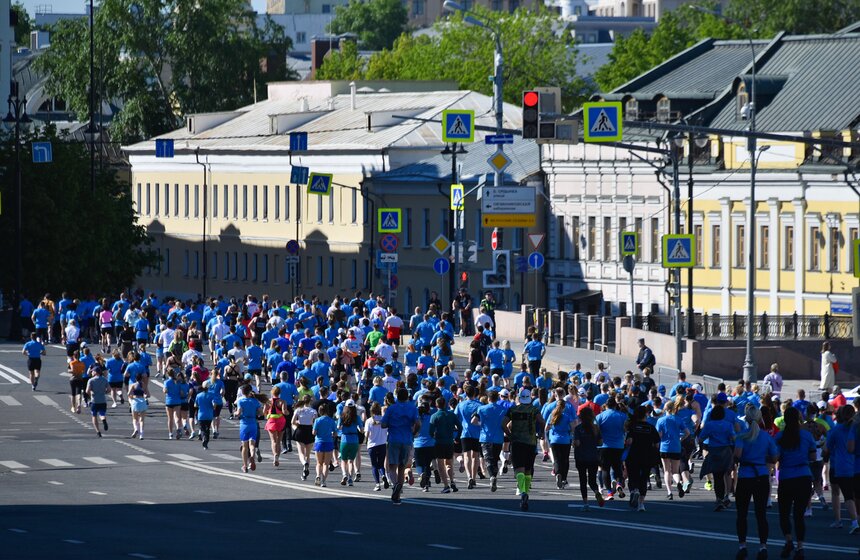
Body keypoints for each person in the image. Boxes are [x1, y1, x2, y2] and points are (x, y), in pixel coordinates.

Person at [734, 404, 778, 560]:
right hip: (761, 475)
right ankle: (763, 547)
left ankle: (742, 546)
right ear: (760, 419)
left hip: (746, 476)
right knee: (761, 514)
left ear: (746, 417)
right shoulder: (766, 437)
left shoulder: (742, 436)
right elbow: (774, 457)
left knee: (742, 513)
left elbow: (737, 456)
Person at [774, 406, 816, 560]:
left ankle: (788, 540)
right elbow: (812, 457)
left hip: (786, 477)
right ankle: (800, 547)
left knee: (784, 513)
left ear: (785, 419)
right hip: (803, 476)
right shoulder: (806, 436)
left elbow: (775, 457)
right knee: (799, 515)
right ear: (799, 419)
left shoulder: (780, 437)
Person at [503, 388, 544, 511]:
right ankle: (526, 491)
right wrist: (541, 433)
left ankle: (522, 492)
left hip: (517, 442)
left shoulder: (513, 409)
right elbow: (542, 422)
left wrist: (510, 435)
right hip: (530, 443)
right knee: (528, 469)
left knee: (518, 469)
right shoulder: (534, 409)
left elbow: (503, 424)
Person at [381, 387, 420, 505]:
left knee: (392, 466)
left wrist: (390, 423)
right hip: (407, 439)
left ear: (397, 396)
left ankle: (396, 485)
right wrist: (414, 432)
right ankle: (397, 495)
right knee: (402, 467)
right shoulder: (412, 408)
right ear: (407, 397)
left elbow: (383, 424)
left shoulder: (392, 408)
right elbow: (418, 423)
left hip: (394, 439)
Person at [825, 404, 858, 533]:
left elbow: (827, 448)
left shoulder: (836, 430)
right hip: (855, 465)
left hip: (840, 466)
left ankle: (845, 520)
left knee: (841, 494)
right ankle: (855, 520)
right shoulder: (856, 428)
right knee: (854, 495)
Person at [700, 402, 738, 511]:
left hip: (714, 450)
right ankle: (726, 496)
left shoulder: (709, 425)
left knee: (717, 477)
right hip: (726, 451)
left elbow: (701, 438)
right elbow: (734, 438)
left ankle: (719, 499)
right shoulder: (728, 425)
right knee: (725, 473)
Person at [625, 405, 660, 512]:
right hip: (647, 455)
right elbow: (657, 444)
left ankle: (634, 491)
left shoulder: (633, 427)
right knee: (644, 479)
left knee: (632, 476)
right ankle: (641, 504)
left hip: (633, 455)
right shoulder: (651, 427)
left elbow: (629, 441)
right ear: (645, 414)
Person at [472, 390, 507, 492]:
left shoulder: (481, 408)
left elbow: (473, 421)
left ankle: (492, 476)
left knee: (488, 459)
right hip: (498, 438)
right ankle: (494, 476)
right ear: (497, 398)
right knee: (495, 459)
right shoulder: (503, 409)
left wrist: (481, 424)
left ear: (488, 398)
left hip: (485, 437)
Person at [656, 400, 690, 500]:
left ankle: (669, 491)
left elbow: (658, 434)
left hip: (664, 447)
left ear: (665, 409)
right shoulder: (678, 419)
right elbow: (687, 432)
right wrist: (681, 439)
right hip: (676, 446)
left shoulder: (660, 420)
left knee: (667, 471)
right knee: (675, 471)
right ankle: (678, 482)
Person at [574, 406, 605, 510]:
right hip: (593, 456)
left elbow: (577, 443)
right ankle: (597, 492)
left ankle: (586, 503)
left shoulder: (578, 429)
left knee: (582, 480)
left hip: (581, 457)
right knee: (592, 480)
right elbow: (600, 442)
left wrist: (574, 443)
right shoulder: (595, 428)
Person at [545, 387, 576, 490]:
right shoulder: (568, 411)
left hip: (554, 439)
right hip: (565, 439)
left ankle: (558, 473)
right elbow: (573, 425)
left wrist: (546, 434)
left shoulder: (551, 412)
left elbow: (545, 425)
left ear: (555, 395)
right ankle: (564, 478)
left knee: (557, 459)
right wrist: (572, 433)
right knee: (565, 460)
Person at [596, 398, 627, 499]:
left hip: (604, 446)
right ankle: (618, 484)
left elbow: (595, 430)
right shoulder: (622, 416)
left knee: (605, 469)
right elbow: (626, 429)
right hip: (618, 446)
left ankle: (609, 492)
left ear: (606, 405)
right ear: (615, 405)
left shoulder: (600, 416)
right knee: (617, 467)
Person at [236, 384, 262, 473]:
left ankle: (245, 465)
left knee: (244, 446)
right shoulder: (255, 401)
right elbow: (260, 413)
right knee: (252, 444)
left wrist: (236, 414)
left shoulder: (241, 401)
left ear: (242, 392)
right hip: (253, 423)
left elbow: (239, 412)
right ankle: (252, 457)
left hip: (244, 423)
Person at [365, 402, 390, 491]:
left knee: (374, 465)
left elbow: (367, 434)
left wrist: (365, 440)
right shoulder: (384, 420)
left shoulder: (369, 421)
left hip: (372, 445)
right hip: (382, 444)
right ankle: (383, 475)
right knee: (381, 464)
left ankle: (377, 484)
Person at [292, 395, 318, 480]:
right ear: (310, 401)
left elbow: (293, 421)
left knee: (301, 452)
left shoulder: (298, 410)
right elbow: (315, 422)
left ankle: (304, 463)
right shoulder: (313, 411)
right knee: (308, 453)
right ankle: (305, 471)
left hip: (300, 430)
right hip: (309, 430)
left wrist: (298, 422)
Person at [312, 400, 337, 486]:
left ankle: (318, 475)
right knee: (326, 463)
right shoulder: (331, 420)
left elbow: (314, 432)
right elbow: (335, 433)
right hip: (328, 442)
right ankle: (323, 481)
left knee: (319, 463)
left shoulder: (317, 420)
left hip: (319, 442)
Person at [337, 400, 361, 486]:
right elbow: (361, 429)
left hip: (344, 439)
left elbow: (338, 427)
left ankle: (344, 475)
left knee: (343, 460)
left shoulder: (342, 416)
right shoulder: (357, 417)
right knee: (351, 460)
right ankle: (350, 477)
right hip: (354, 440)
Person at [264, 386, 288, 466]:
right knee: (279, 441)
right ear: (279, 393)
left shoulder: (268, 401)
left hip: (271, 421)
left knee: (273, 441)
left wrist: (267, 415)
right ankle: (277, 456)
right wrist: (288, 412)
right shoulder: (282, 401)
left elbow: (264, 411)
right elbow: (284, 412)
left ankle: (275, 455)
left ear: (272, 392)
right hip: (280, 421)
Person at [85, 365, 110, 437]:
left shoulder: (91, 380)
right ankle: (103, 420)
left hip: (94, 400)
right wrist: (104, 392)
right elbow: (109, 389)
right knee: (102, 413)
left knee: (94, 415)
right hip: (103, 400)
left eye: (92, 371)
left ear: (95, 372)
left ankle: (98, 431)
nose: (91, 372)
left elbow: (87, 391)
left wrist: (90, 395)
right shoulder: (104, 379)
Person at [195, 380, 216, 449]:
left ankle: (203, 438)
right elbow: (214, 404)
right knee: (207, 429)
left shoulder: (198, 395)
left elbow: (196, 405)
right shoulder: (212, 394)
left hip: (201, 415)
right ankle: (206, 441)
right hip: (209, 415)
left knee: (202, 429)